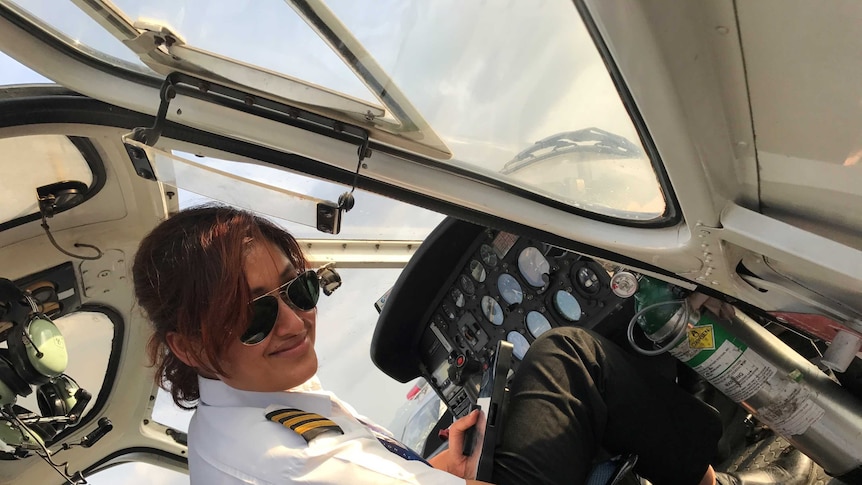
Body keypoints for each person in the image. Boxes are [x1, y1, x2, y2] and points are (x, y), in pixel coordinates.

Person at [132, 205, 811, 485]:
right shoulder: (266, 451)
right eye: (251, 316)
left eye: (299, 290)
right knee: (571, 359)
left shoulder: (239, 419)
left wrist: (439, 467)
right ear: (188, 347)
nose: (290, 323)